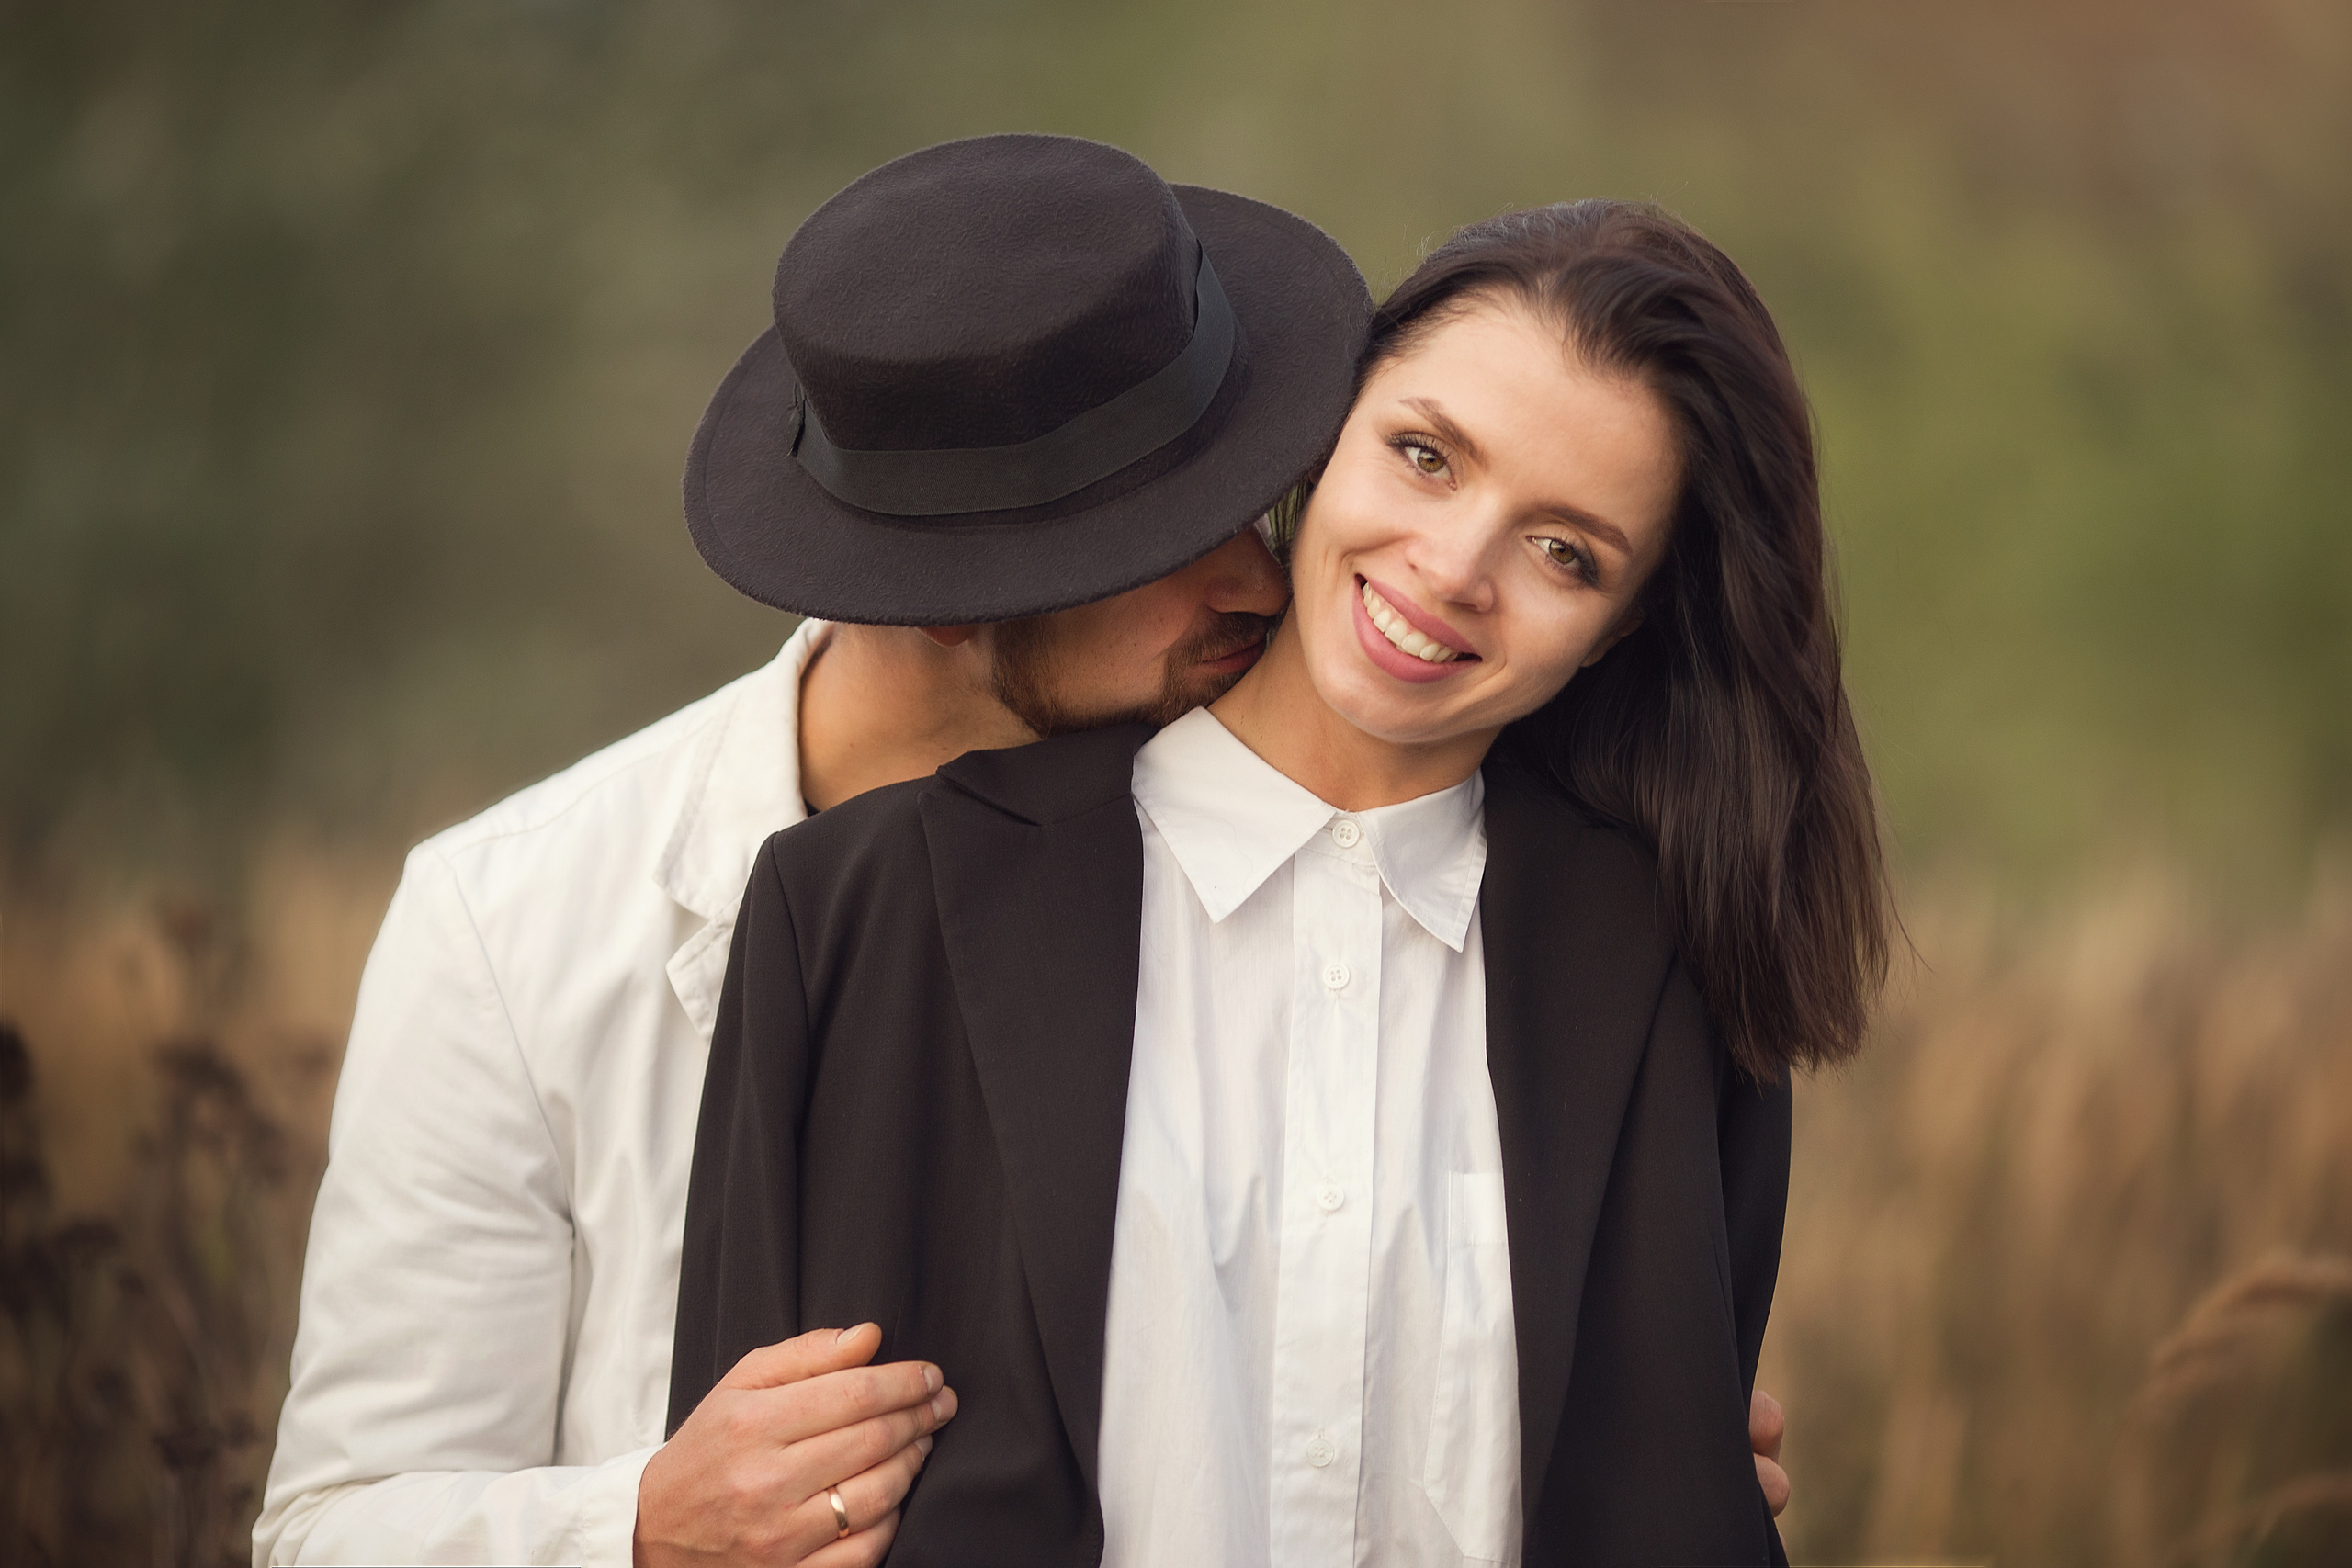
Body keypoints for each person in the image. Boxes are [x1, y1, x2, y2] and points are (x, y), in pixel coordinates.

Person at [255, 136, 1793, 1568]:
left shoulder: (1546, 927)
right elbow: (332, 1524)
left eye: (1248, 487)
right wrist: (646, 1526)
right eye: (1157, 540)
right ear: (954, 597)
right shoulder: (519, 924)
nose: (1258, 577)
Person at [672, 196, 1885, 1568]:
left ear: (1621, 627)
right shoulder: (858, 910)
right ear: (1321, 433)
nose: (1453, 569)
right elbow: (753, 1525)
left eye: (1565, 552)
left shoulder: (1677, 974)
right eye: (1425, 455)